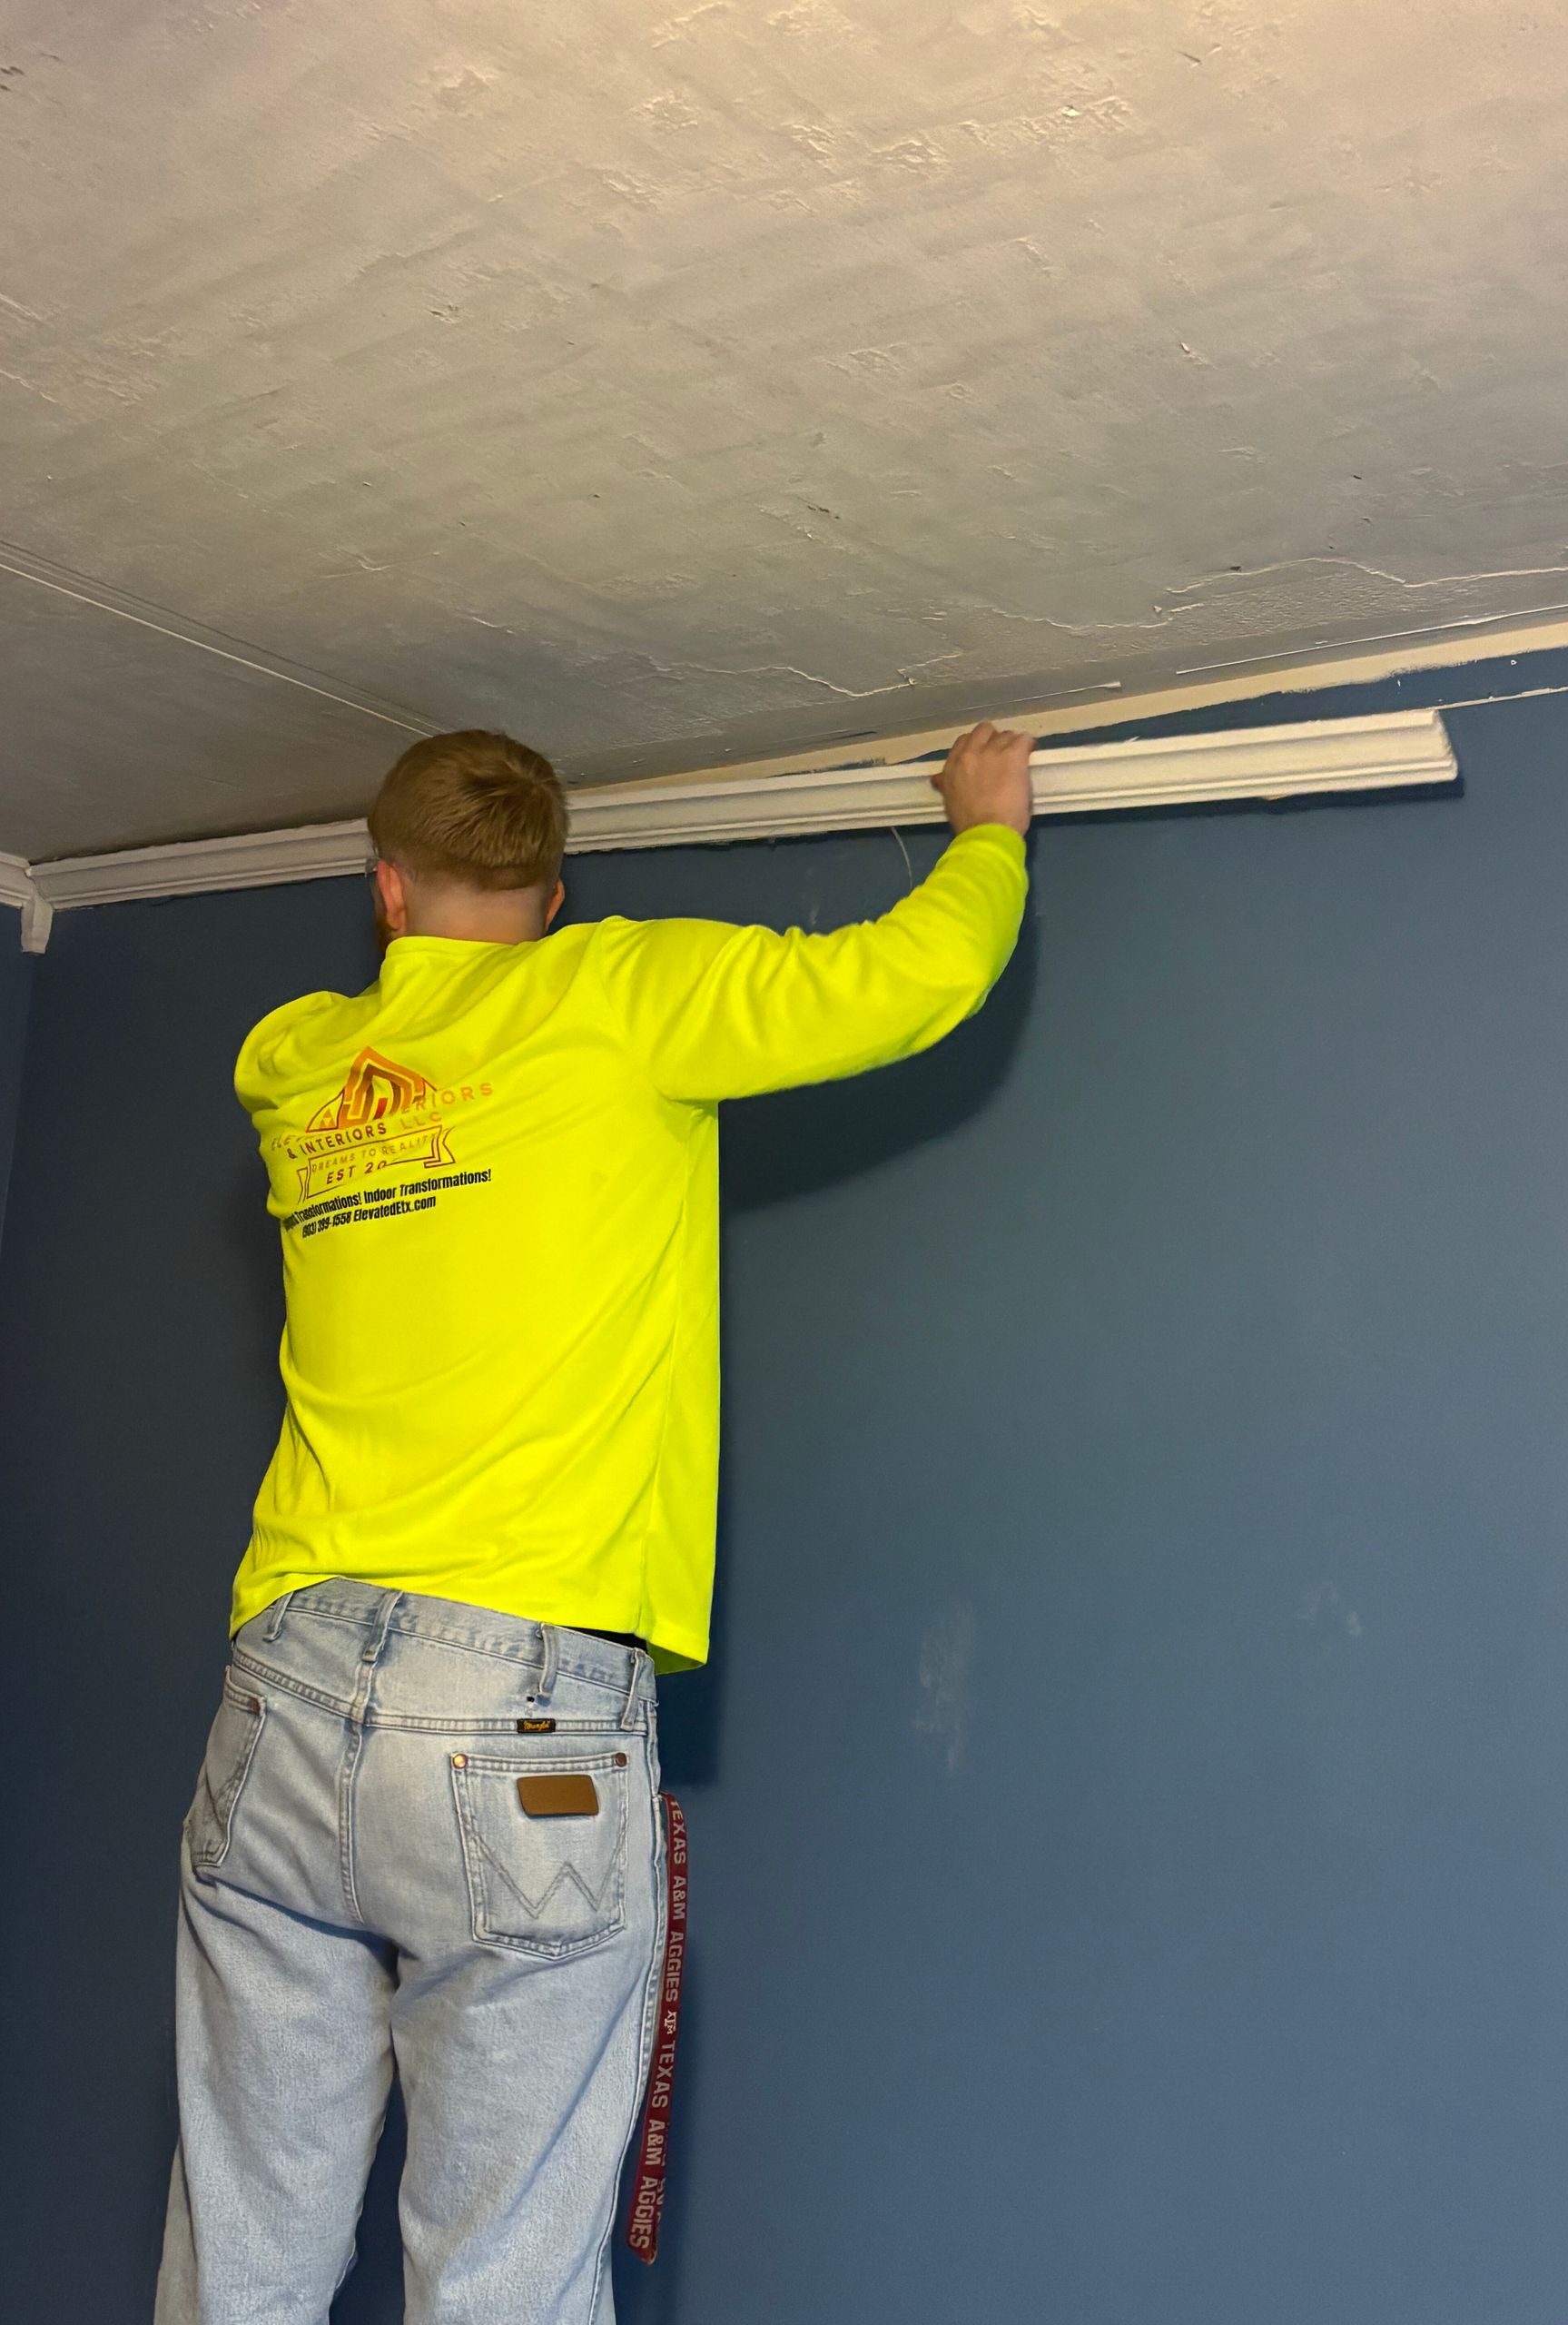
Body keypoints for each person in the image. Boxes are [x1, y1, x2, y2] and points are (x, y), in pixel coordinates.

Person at [155, 718, 1033, 2324]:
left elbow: (326, 1046)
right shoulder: (620, 997)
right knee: (500, 2269)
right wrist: (988, 830)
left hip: (283, 1693)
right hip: (514, 1711)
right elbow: (907, 981)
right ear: (554, 895)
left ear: (386, 891)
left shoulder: (295, 1070)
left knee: (242, 2259)